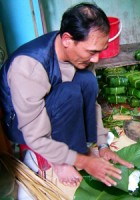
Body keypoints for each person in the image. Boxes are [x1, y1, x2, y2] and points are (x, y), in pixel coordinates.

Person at [0, 3, 133, 187]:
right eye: (92, 52)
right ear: (67, 40)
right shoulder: (29, 66)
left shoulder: (80, 54)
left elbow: (91, 102)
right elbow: (34, 135)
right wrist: (83, 161)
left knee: (87, 81)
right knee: (68, 93)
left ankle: (77, 149)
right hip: (23, 125)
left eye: (99, 51)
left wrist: (103, 145)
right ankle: (60, 162)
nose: (96, 59)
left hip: (54, 105)